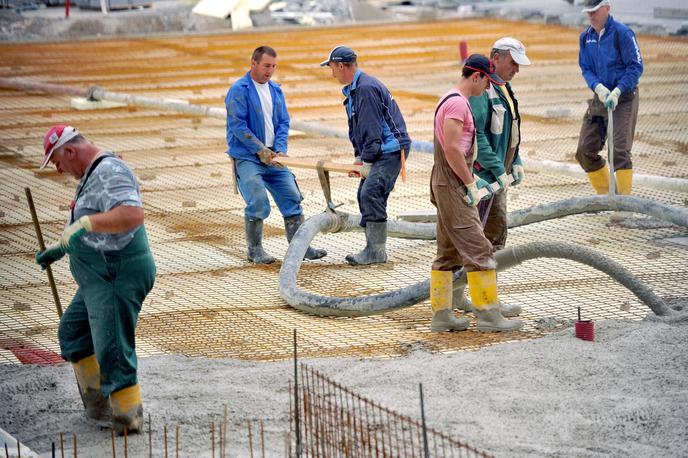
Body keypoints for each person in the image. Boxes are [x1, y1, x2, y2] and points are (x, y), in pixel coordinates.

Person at [35, 125, 155, 433]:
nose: (59, 170)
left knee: (112, 348)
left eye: (58, 162)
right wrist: (62, 246)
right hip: (98, 277)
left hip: (117, 273)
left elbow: (132, 214)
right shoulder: (91, 173)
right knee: (74, 334)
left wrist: (87, 224)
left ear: (71, 151)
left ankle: (127, 417)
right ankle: (97, 407)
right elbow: (89, 216)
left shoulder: (110, 171)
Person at [429, 55, 523, 333]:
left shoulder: (450, 98)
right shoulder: (458, 103)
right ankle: (488, 316)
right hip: (452, 185)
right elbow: (452, 149)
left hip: (446, 183)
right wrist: (470, 182)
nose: (487, 88)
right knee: (480, 250)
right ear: (477, 76)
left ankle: (442, 316)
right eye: (486, 81)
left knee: (447, 253)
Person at [226, 46, 326, 264]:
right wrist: (260, 150)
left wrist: (279, 149)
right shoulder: (239, 90)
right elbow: (237, 125)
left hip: (274, 157)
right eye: (266, 66)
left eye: (273, 66)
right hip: (248, 157)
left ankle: (301, 247)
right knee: (258, 199)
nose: (270, 71)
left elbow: (283, 123)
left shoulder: (276, 91)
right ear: (253, 63)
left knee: (291, 195)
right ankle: (255, 250)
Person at [459, 37, 531, 318]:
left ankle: (477, 298)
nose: (516, 69)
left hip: (498, 180)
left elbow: (510, 132)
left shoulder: (506, 89)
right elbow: (476, 137)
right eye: (513, 63)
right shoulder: (483, 92)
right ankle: (486, 303)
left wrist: (517, 163)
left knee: (491, 240)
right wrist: (498, 171)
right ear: (496, 58)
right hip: (482, 182)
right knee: (481, 244)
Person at [320, 46, 411, 265]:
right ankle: (373, 247)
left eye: (332, 67)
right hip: (379, 149)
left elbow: (371, 130)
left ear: (341, 65)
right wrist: (359, 158)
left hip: (390, 149)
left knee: (371, 192)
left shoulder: (365, 89)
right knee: (366, 193)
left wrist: (368, 161)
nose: (332, 73)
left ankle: (376, 252)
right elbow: (357, 129)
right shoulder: (355, 89)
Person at [575, 0, 643, 196]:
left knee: (619, 151)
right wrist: (598, 87)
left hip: (624, 97)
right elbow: (586, 68)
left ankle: (623, 206)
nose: (591, 16)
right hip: (601, 97)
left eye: (595, 11)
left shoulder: (623, 33)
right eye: (588, 12)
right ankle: (608, 197)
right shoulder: (586, 37)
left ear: (607, 8)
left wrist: (619, 89)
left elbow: (635, 66)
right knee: (584, 151)